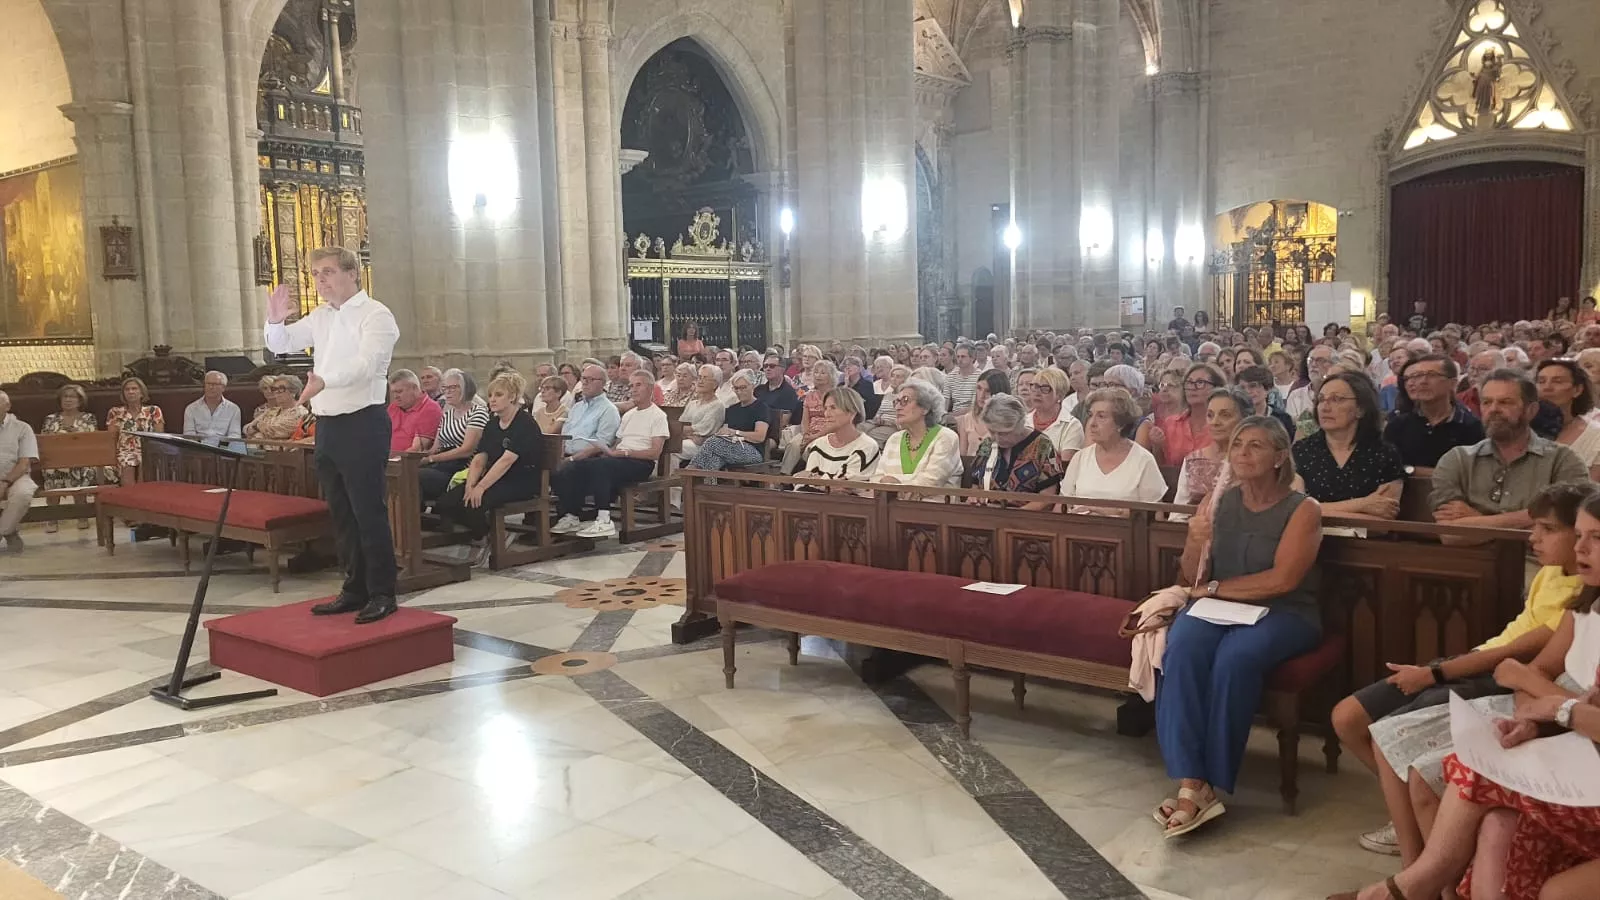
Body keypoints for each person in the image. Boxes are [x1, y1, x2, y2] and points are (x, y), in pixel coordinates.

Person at [1329, 493, 1600, 900]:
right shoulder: (1584, 606)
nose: (1581, 548)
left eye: (1595, 538)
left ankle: (1417, 884)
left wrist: (1551, 705)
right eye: (1579, 535)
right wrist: (1531, 715)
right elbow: (1535, 675)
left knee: (1467, 772)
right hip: (1556, 732)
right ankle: (1422, 878)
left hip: (1581, 755)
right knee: (1487, 813)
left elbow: (1530, 673)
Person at [1153, 416, 1323, 837]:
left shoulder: (1303, 508)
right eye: (1238, 445)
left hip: (1286, 611)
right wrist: (1194, 539)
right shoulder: (1219, 500)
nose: (1243, 454)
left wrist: (1211, 589)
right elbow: (1191, 575)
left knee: (1236, 657)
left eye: (1256, 446)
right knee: (1182, 644)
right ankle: (1191, 782)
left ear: (1280, 456)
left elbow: (1282, 581)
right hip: (1219, 607)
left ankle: (1213, 778)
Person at [263, 247, 401, 624]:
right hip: (329, 425)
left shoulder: (377, 315)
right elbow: (280, 344)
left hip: (362, 423)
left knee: (367, 511)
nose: (320, 280)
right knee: (340, 512)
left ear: (352, 273)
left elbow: (366, 364)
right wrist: (274, 322)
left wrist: (325, 380)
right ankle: (354, 588)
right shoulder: (322, 316)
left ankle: (382, 592)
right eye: (315, 274)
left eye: (327, 272)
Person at [1432, 369, 1590, 539]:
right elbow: (1450, 535)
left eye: (1505, 402)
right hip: (1469, 562)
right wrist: (1531, 517)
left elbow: (1564, 533)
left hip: (1535, 562)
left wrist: (1475, 521)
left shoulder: (1563, 460)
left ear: (1531, 410)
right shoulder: (1457, 459)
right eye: (1486, 402)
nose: (1493, 409)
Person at [430, 371, 543, 564]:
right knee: (446, 503)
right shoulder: (492, 424)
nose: (492, 400)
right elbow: (479, 459)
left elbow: (506, 460)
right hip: (494, 477)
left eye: (498, 395)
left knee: (476, 504)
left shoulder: (524, 423)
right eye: (490, 395)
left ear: (513, 397)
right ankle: (486, 535)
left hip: (521, 480)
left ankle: (494, 539)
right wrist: (470, 485)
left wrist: (481, 487)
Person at [552, 370, 669, 538]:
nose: (633, 389)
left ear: (650, 388)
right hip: (621, 458)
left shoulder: (658, 416)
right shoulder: (629, 415)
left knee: (602, 466)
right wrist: (609, 451)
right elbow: (617, 442)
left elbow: (655, 452)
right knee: (577, 466)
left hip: (640, 463)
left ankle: (604, 518)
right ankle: (572, 515)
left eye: (638, 385)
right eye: (631, 386)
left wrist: (625, 453)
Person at [1293, 372, 1406, 520]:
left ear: (1361, 408)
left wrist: (1318, 510)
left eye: (1337, 399)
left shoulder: (1385, 453)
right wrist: (1362, 504)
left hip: (1369, 542)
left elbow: (1383, 518)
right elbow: (1295, 510)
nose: (1325, 407)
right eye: (1320, 400)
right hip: (1310, 538)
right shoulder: (1302, 450)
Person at [1061, 389, 1168, 513]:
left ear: (1120, 424)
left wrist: (1102, 511)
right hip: (1080, 529)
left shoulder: (1143, 460)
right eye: (1091, 415)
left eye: (1101, 416)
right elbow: (1064, 504)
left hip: (1125, 530)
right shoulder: (1080, 458)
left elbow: (1155, 514)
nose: (1092, 423)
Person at [1384, 354, 1485, 470]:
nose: (1422, 381)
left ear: (1452, 383)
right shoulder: (1398, 425)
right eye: (1417, 376)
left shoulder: (1471, 426)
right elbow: (1388, 470)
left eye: (1432, 375)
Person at [966, 394, 1063, 509]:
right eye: (992, 432)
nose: (996, 438)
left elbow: (1047, 498)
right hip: (986, 516)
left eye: (1003, 433)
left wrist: (1012, 520)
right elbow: (975, 487)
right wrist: (974, 498)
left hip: (1025, 519)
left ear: (1020, 425)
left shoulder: (1043, 446)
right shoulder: (987, 445)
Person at [870, 379, 963, 494]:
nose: (898, 407)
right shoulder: (894, 438)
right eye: (896, 402)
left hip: (934, 509)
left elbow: (931, 482)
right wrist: (891, 484)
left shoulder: (946, 437)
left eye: (905, 401)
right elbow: (877, 478)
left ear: (925, 408)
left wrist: (896, 483)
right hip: (892, 507)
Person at [36, 385, 101, 534]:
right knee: (52, 471)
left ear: (80, 400)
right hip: (55, 461)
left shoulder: (88, 418)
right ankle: (52, 518)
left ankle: (82, 516)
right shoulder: (50, 419)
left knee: (80, 470)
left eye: (72, 397)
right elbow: (45, 443)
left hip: (81, 460)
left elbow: (90, 441)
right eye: (65, 397)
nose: (68, 400)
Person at [418, 369, 489, 503]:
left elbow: (466, 450)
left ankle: (417, 519)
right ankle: (414, 519)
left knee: (417, 476)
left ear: (466, 389)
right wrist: (417, 459)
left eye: (453, 387)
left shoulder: (478, 412)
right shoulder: (448, 414)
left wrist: (431, 459)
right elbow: (435, 448)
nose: (447, 392)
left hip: (463, 469)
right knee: (405, 473)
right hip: (443, 464)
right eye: (445, 388)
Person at [1173, 388, 1250, 509]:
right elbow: (1177, 513)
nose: (1215, 422)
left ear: (1245, 419)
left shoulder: (1252, 461)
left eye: (1225, 415)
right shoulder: (1193, 460)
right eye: (1210, 415)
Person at [685, 371, 769, 471]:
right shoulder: (732, 409)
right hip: (728, 446)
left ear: (752, 386)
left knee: (713, 443)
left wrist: (736, 433)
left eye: (743, 388)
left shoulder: (760, 407)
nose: (739, 392)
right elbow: (725, 431)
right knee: (714, 457)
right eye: (736, 388)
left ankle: (690, 471)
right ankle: (710, 483)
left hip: (752, 451)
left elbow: (760, 436)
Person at [795, 388, 880, 486]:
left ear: (852, 413)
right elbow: (806, 485)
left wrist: (815, 479)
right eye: (826, 408)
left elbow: (844, 487)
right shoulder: (819, 444)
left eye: (833, 408)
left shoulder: (867, 446)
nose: (826, 414)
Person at [1535, 358, 1600, 480]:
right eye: (1541, 381)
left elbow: (1589, 493)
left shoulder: (1596, 438)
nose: (1547, 387)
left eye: (1557, 382)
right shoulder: (1521, 430)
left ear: (1577, 390)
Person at [1154, 363, 1224, 468]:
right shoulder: (1171, 423)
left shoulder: (1223, 425)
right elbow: (1161, 467)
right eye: (1189, 382)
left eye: (1200, 382)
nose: (1193, 387)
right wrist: (1157, 446)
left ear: (1216, 387)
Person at [105, 376, 165, 486]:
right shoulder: (115, 412)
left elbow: (159, 437)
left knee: (146, 464)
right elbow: (111, 438)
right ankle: (129, 497)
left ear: (142, 392)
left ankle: (143, 498)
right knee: (127, 464)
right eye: (127, 389)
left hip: (147, 450)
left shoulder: (153, 410)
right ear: (123, 394)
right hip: (124, 451)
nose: (130, 392)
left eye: (134, 389)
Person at [782, 360, 839, 473]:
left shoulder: (837, 396)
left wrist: (815, 437)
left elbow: (835, 423)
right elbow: (805, 420)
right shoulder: (810, 395)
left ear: (831, 376)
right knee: (793, 445)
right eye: (816, 372)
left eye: (823, 373)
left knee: (812, 448)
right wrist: (806, 434)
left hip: (828, 433)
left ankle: (809, 478)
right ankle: (784, 477)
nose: (818, 375)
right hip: (810, 432)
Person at [0, 391, 39, 552]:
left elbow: (24, 462)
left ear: (7, 406)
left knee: (23, 493)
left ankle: (4, 530)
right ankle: (10, 531)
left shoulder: (22, 428)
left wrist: (5, 482)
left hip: (16, 476)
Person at [1026, 367, 1086, 465]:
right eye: (1035, 387)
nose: (1037, 392)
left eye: (1045, 389)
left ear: (1060, 395)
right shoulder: (1022, 422)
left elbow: (1064, 467)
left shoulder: (1071, 426)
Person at [561, 364, 621, 459]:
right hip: (565, 456)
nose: (585, 383)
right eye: (583, 378)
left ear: (603, 383)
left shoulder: (608, 410)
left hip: (587, 459)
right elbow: (564, 435)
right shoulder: (577, 407)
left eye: (591, 379)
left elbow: (601, 444)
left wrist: (572, 459)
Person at [956, 371, 1013, 457]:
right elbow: (963, 456)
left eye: (988, 391)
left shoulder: (1008, 422)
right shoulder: (967, 419)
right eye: (979, 388)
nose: (981, 395)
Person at [386, 369, 442, 454]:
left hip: (407, 463)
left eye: (399, 391)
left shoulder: (430, 409)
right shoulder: (393, 407)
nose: (395, 396)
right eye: (393, 392)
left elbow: (417, 450)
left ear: (415, 388)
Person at [183, 371, 243, 447]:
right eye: (208, 384)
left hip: (223, 451)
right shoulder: (191, 408)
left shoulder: (234, 409)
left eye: (215, 384)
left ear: (223, 388)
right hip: (198, 450)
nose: (211, 387)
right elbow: (189, 436)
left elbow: (234, 436)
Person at [1232, 365, 1296, 436]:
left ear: (1267, 388)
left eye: (1253, 386)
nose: (1247, 391)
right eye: (1242, 388)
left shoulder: (1283, 418)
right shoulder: (1235, 418)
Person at [944, 343, 981, 418]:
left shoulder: (980, 376)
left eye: (963, 357)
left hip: (973, 417)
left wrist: (952, 415)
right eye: (958, 357)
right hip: (953, 417)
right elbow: (945, 401)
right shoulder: (950, 376)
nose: (960, 359)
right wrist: (943, 415)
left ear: (972, 358)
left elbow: (975, 406)